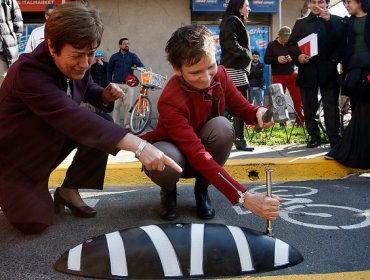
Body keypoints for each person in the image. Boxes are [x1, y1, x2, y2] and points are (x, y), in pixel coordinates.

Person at [0, 3, 181, 235]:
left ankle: (69, 189)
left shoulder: (71, 65)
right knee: (34, 223)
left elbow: (86, 87)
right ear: (52, 46)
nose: (85, 64)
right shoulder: (27, 73)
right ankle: (22, 191)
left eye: (90, 54)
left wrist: (103, 95)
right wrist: (140, 146)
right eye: (77, 55)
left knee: (103, 120)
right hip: (14, 164)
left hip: (44, 149)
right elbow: (74, 118)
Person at [141, 24, 282, 223]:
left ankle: (202, 189)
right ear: (177, 69)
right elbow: (198, 155)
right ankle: (168, 191)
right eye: (196, 72)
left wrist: (259, 112)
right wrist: (244, 197)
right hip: (177, 153)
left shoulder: (222, 75)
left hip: (201, 153)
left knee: (223, 126)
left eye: (210, 67)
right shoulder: (170, 100)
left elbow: (243, 108)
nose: (206, 78)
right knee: (167, 160)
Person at [286, 0, 342, 148]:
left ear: (327, 4)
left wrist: (334, 60)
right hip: (307, 70)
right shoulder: (301, 23)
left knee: (331, 106)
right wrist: (298, 56)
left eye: (321, 2)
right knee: (309, 107)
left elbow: (342, 42)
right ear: (310, 4)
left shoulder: (336, 21)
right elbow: (291, 44)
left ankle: (334, 137)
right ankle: (314, 136)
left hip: (328, 70)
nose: (317, 5)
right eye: (314, 2)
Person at [326, 0, 370, 169]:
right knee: (359, 111)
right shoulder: (347, 21)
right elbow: (338, 42)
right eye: (344, 3)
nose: (346, 5)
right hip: (355, 73)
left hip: (367, 70)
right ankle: (357, 154)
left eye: (349, 2)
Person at [219, 0, 254, 152]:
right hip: (235, 69)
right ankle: (239, 140)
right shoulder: (233, 20)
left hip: (234, 68)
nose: (249, 8)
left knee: (231, 106)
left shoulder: (233, 21)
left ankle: (217, 135)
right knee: (240, 105)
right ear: (239, 8)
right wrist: (246, 55)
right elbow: (229, 43)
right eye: (246, 5)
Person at [264, 26, 304, 125]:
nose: (285, 41)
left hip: (292, 74)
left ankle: (300, 121)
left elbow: (299, 57)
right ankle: (282, 122)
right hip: (278, 75)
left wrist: (292, 58)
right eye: (283, 38)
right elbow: (266, 59)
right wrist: (277, 59)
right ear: (279, 35)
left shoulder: (292, 44)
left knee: (298, 98)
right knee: (279, 99)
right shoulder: (272, 45)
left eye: (287, 38)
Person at [108, 38, 144, 130]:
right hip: (116, 84)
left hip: (129, 85)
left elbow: (141, 65)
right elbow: (109, 70)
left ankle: (127, 125)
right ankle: (115, 125)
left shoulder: (132, 56)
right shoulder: (114, 57)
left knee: (128, 106)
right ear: (120, 45)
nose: (127, 45)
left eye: (128, 43)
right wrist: (109, 83)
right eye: (124, 43)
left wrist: (138, 67)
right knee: (116, 106)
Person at [0, 0, 23, 86]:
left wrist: (12, 42)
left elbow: (18, 24)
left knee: (4, 86)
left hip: (3, 54)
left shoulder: (9, 1)